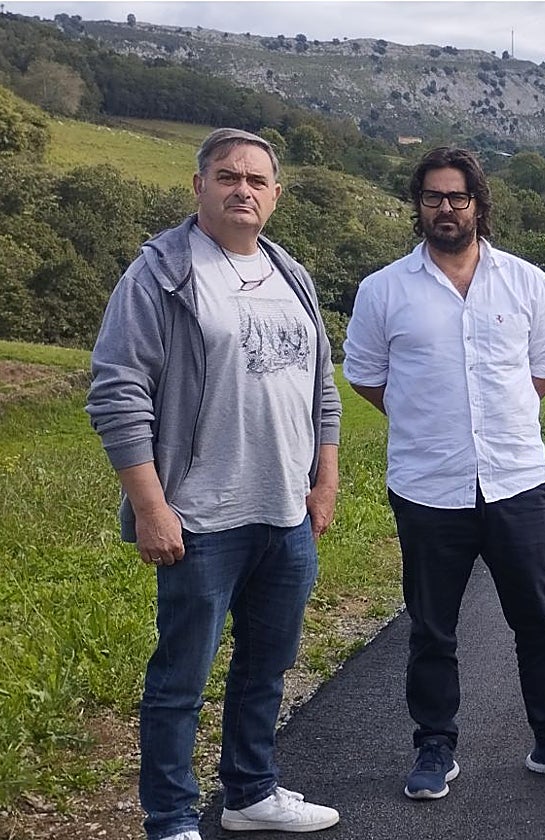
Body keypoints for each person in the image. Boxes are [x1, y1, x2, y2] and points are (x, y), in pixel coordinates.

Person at [86, 128, 342, 840]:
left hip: (284, 515)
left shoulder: (292, 275)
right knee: (180, 683)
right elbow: (116, 392)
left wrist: (325, 480)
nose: (243, 191)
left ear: (276, 196)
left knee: (267, 666)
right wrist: (150, 507)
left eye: (257, 181)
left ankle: (250, 793)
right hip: (199, 519)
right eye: (228, 177)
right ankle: (169, 819)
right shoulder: (161, 274)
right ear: (197, 186)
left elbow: (322, 386)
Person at [342, 146, 545, 800]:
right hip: (429, 489)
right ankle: (435, 746)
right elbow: (368, 378)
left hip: (516, 482)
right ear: (418, 206)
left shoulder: (526, 283)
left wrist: (496, 422)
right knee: (432, 628)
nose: (446, 208)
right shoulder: (383, 291)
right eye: (433, 197)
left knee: (540, 620)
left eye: (458, 197)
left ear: (479, 205)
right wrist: (433, 422)